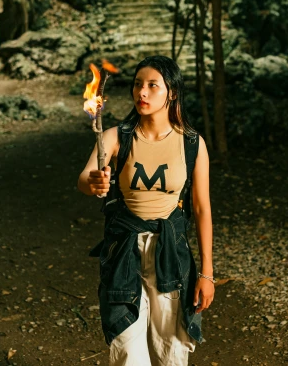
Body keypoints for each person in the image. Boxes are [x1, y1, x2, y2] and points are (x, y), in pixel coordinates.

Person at [77, 55, 214, 366]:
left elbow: (202, 209)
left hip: (171, 253)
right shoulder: (116, 137)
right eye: (138, 85)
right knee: (127, 350)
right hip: (124, 251)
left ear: (173, 93)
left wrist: (207, 273)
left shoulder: (192, 144)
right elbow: (84, 179)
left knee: (174, 349)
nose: (142, 92)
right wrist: (96, 183)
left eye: (153, 85)